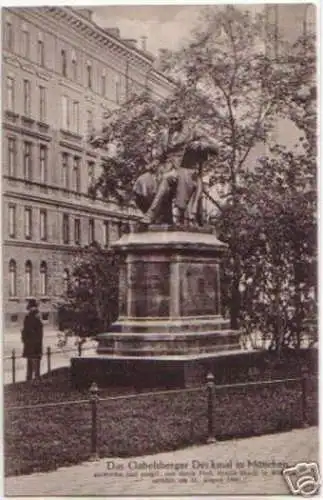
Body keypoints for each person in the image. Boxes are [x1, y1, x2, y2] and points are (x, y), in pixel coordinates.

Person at [133, 111, 219, 226]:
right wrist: (154, 162)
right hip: (165, 167)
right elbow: (160, 156)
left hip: (185, 169)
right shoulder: (165, 135)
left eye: (176, 119)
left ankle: (151, 214)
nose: (173, 121)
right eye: (171, 119)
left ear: (182, 119)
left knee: (166, 178)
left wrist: (201, 144)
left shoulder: (192, 131)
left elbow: (215, 148)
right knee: (141, 182)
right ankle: (163, 217)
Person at [21, 299, 43, 381]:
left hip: (30, 343)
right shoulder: (35, 317)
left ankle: (30, 377)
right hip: (34, 343)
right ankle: (35, 377)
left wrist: (24, 339)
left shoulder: (29, 317)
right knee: (34, 360)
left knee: (31, 360)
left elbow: (25, 330)